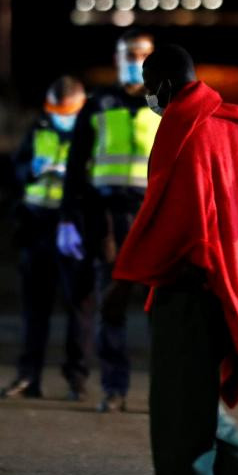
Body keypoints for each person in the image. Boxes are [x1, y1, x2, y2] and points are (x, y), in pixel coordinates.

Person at [102, 44, 238, 475]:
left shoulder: (185, 127)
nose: (146, 92)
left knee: (178, 410)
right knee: (201, 400)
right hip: (236, 283)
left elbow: (171, 216)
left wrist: (125, 280)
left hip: (190, 287)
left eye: (148, 81)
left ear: (164, 83)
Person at [59, 30, 159, 412]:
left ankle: (161, 388)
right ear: (118, 59)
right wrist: (69, 217)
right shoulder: (98, 104)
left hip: (153, 215)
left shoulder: (164, 106)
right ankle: (114, 388)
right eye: (128, 54)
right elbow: (75, 164)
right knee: (111, 306)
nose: (135, 61)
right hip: (107, 217)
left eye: (142, 55)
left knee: (158, 309)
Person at [0, 76, 94, 401]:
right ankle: (29, 377)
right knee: (34, 309)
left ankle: (76, 379)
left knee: (79, 309)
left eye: (66, 110)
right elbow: (17, 167)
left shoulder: (94, 132)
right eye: (55, 109)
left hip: (75, 229)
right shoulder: (39, 129)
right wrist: (31, 170)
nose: (60, 116)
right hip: (37, 226)